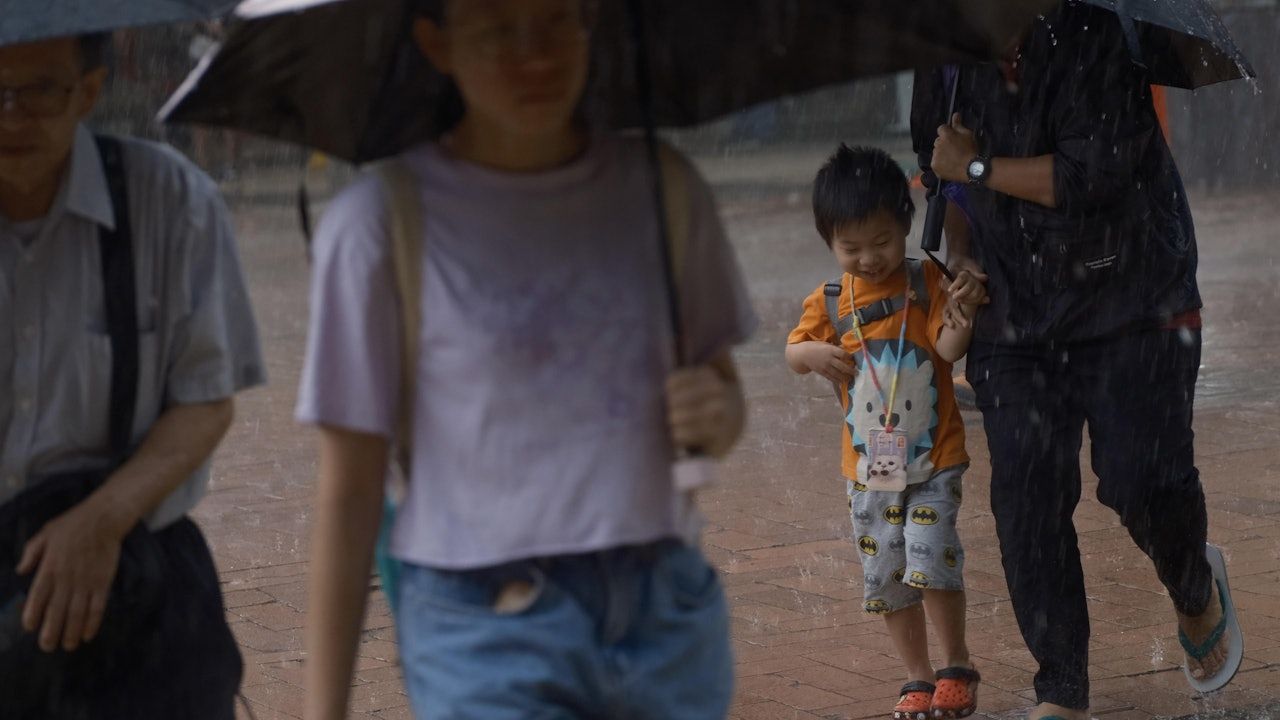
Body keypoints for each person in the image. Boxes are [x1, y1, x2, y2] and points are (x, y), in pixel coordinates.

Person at [295, 0, 756, 718]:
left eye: (554, 20)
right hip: (482, 626)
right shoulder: (379, 225)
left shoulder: (664, 190)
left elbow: (724, 401)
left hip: (665, 614)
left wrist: (717, 411)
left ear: (592, 22)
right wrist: (323, 711)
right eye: (495, 31)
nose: (533, 54)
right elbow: (350, 491)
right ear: (436, 44)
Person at [912, 3, 1240, 718]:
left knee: (1143, 480)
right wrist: (962, 261)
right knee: (1026, 497)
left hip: (1132, 296)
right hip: (1014, 309)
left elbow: (1088, 177)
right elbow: (948, 185)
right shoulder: (943, 56)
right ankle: (1060, 683)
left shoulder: (1094, 34)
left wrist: (972, 162)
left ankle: (1192, 587)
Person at [0, 33, 264, 718]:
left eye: (39, 90)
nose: (10, 115)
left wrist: (102, 521)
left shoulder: (172, 202)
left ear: (89, 90)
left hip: (136, 576)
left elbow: (207, 401)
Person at [785, 145, 987, 720]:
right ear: (830, 242)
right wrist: (815, 354)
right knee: (888, 575)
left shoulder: (925, 283)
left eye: (881, 241)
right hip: (870, 469)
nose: (869, 258)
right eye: (851, 247)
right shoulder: (831, 299)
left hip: (935, 456)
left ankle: (955, 665)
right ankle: (916, 678)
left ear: (905, 224)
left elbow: (947, 351)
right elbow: (792, 351)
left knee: (931, 555)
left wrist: (961, 319)